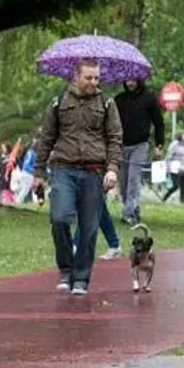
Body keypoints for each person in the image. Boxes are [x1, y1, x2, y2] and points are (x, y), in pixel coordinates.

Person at [33, 58, 123, 295]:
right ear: (76, 76)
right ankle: (66, 269)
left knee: (89, 226)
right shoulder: (58, 102)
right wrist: (38, 173)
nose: (94, 82)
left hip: (94, 170)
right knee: (59, 218)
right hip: (63, 168)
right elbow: (46, 138)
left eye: (97, 78)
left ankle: (81, 278)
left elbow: (115, 137)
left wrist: (112, 168)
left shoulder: (107, 103)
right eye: (89, 77)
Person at [114, 79, 165, 224]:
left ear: (139, 81)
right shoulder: (119, 99)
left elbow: (159, 123)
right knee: (123, 182)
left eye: (133, 80)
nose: (130, 83)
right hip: (122, 145)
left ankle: (129, 212)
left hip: (140, 145)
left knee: (133, 179)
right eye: (127, 80)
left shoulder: (149, 98)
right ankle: (132, 207)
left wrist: (159, 145)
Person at [162, 132, 184, 204]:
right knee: (176, 186)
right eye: (183, 135)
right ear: (180, 136)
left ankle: (182, 202)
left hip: (182, 169)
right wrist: (167, 168)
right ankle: (164, 198)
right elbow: (168, 156)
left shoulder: (183, 146)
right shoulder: (174, 145)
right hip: (174, 168)